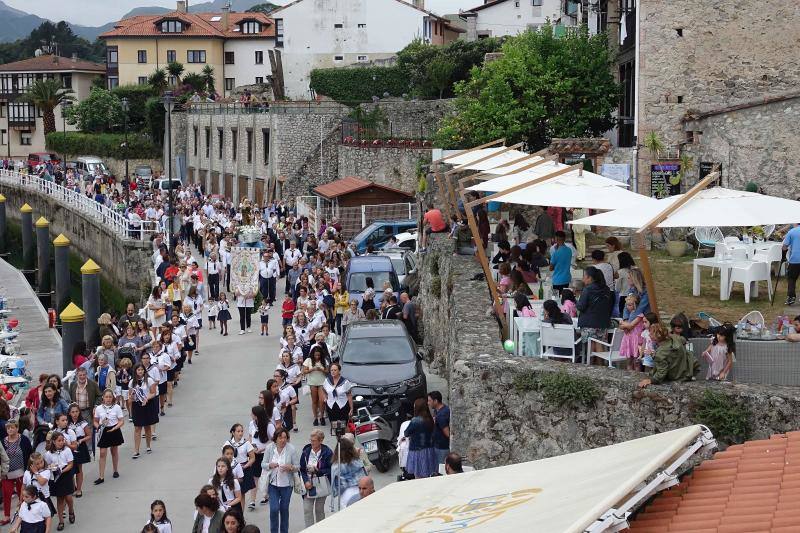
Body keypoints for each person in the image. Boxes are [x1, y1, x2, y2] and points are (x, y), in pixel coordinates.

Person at [638, 323, 699, 388]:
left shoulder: (661, 352)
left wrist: (651, 380)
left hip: (676, 375)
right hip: (685, 370)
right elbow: (683, 340)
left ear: (657, 336)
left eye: (651, 333)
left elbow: (661, 372)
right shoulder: (675, 338)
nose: (649, 335)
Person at [262, 428, 299, 533]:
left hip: (287, 485)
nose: (283, 440)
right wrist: (270, 465)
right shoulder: (269, 448)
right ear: (275, 438)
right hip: (273, 484)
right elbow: (263, 464)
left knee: (284, 509)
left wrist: (290, 467)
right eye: (280, 437)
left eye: (285, 438)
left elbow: (298, 466)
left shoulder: (291, 449)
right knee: (274, 509)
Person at [576, 266, 614, 355]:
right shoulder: (606, 289)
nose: (582, 279)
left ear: (589, 277)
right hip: (603, 322)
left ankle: (592, 365)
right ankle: (600, 364)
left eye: (584, 276)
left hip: (589, 323)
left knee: (591, 345)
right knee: (599, 343)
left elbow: (581, 306)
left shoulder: (587, 290)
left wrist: (576, 302)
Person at [299, 429, 332, 528]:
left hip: (321, 484)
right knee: (307, 509)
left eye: (314, 441)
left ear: (321, 441)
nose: (311, 442)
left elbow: (331, 469)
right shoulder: (306, 452)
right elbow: (302, 469)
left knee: (319, 509)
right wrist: (305, 481)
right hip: (308, 485)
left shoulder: (327, 452)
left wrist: (318, 471)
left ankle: (320, 529)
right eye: (311, 440)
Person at [1, 420, 31, 526]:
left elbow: (30, 454)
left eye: (12, 427)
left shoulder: (24, 440)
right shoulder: (2, 441)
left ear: (17, 428)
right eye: (8, 428)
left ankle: (22, 514)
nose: (10, 429)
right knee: (6, 493)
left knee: (22, 494)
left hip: (21, 472)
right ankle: (7, 516)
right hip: (6, 473)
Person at [44, 430, 74, 530]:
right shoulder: (48, 453)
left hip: (66, 475)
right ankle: (61, 521)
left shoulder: (67, 450)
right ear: (53, 441)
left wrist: (62, 471)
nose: (61, 442)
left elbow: (70, 464)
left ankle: (71, 510)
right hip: (56, 477)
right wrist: (51, 467)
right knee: (60, 499)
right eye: (59, 440)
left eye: (62, 440)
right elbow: (47, 465)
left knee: (69, 497)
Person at [93, 389, 124, 485]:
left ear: (113, 397)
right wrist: (98, 427)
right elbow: (95, 421)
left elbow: (121, 421)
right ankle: (101, 476)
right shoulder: (98, 408)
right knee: (102, 453)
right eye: (106, 397)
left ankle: (115, 470)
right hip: (103, 431)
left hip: (114, 430)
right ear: (103, 397)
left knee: (114, 451)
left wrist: (115, 428)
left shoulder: (117, 407)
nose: (108, 399)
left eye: (110, 397)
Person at [129, 363, 158, 459]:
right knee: (137, 428)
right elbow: (131, 397)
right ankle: (136, 450)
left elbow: (153, 393)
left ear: (144, 371)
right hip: (137, 406)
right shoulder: (132, 382)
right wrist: (132, 396)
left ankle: (148, 446)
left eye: (141, 370)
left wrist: (146, 398)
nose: (140, 371)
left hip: (147, 405)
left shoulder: (149, 380)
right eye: (138, 370)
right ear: (135, 371)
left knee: (147, 427)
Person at [404, 398, 437, 479]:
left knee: (418, 476)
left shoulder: (415, 420)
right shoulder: (429, 419)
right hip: (429, 450)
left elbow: (406, 433)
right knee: (428, 474)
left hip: (417, 451)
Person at [330, 437, 365, 509]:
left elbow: (335, 486)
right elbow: (364, 476)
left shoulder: (335, 466)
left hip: (346, 495)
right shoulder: (357, 461)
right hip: (361, 491)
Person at [303, 347, 329, 426]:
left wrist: (321, 369)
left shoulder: (324, 360)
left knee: (322, 400)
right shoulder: (308, 360)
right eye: (315, 355)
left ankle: (321, 416)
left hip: (322, 382)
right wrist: (312, 369)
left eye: (318, 355)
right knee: (314, 401)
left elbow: (327, 372)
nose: (317, 357)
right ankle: (315, 418)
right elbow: (304, 371)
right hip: (312, 383)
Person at [619, 294, 645, 371]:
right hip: (628, 339)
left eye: (630, 305)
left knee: (636, 362)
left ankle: (636, 376)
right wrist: (624, 325)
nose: (628, 307)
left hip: (636, 340)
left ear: (636, 305)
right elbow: (622, 327)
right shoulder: (628, 315)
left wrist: (623, 324)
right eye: (627, 305)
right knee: (629, 361)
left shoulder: (639, 315)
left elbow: (631, 325)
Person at [427, 391, 450, 466]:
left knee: (442, 468)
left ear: (436, 401)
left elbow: (447, 433)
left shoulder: (441, 416)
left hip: (442, 447)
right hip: (440, 446)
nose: (428, 403)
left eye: (430, 400)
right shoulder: (443, 409)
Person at [782, 223, 800, 305]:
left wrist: (783, 257)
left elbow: (784, 246)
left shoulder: (791, 232)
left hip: (795, 259)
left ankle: (791, 297)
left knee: (792, 278)